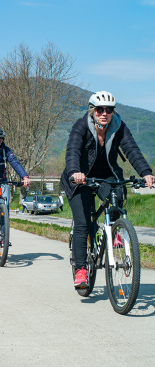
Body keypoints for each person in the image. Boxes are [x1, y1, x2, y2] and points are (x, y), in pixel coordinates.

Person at [61, 91, 155, 289]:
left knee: (117, 195)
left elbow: (132, 150)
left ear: (113, 111)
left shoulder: (118, 126)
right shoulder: (81, 126)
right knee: (83, 223)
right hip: (80, 177)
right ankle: (81, 270)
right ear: (92, 111)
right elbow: (73, 151)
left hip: (107, 175)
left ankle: (115, 231)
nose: (104, 113)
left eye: (109, 109)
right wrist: (75, 171)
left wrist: (146, 172)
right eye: (100, 109)